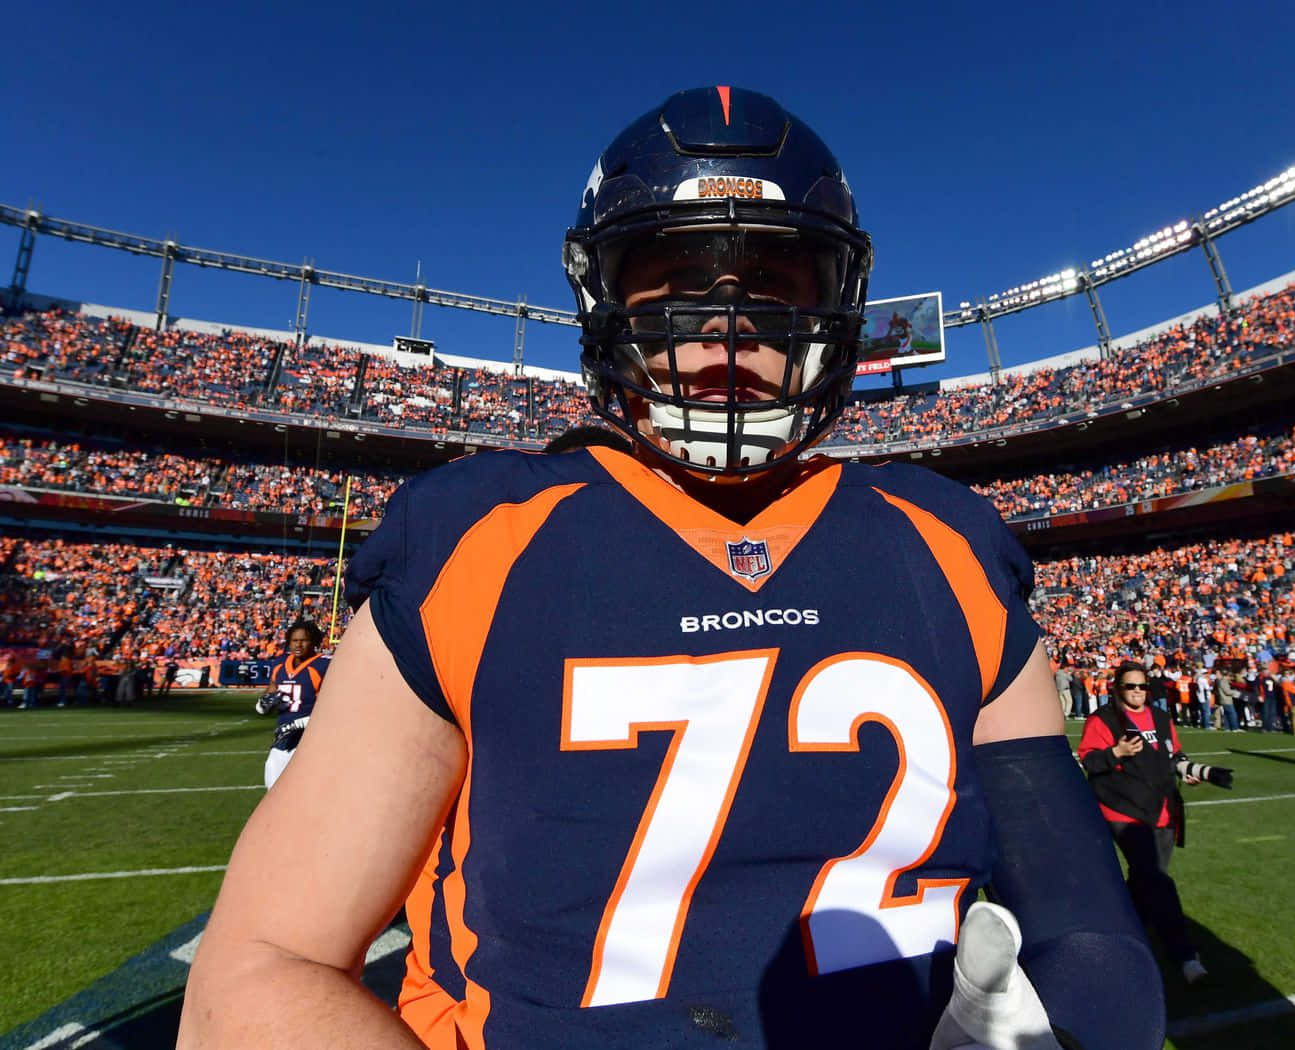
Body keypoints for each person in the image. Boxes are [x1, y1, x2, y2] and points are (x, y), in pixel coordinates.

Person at [180, 87, 1160, 1050]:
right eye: (673, 276)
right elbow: (259, 974)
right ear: (604, 299)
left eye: (772, 278)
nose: (724, 325)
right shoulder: (476, 539)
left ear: (838, 303)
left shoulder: (947, 544)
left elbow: (1087, 937)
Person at [1078, 661, 1234, 984]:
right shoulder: (1103, 719)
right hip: (1123, 810)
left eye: (1142, 686)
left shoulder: (1161, 718)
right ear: (1118, 688)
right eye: (1130, 686)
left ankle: (1121, 939)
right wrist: (1115, 753)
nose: (1137, 692)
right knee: (1158, 880)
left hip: (1162, 808)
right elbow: (1089, 760)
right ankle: (1186, 957)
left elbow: (1174, 756)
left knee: (1145, 882)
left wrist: (1193, 771)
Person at [253, 620, 331, 789]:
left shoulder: (324, 665)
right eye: (294, 640)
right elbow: (270, 693)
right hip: (283, 739)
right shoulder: (280, 664)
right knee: (273, 790)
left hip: (309, 740)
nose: (298, 645)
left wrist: (303, 722)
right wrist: (263, 704)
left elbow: (333, 706)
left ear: (314, 641)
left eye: (304, 640)